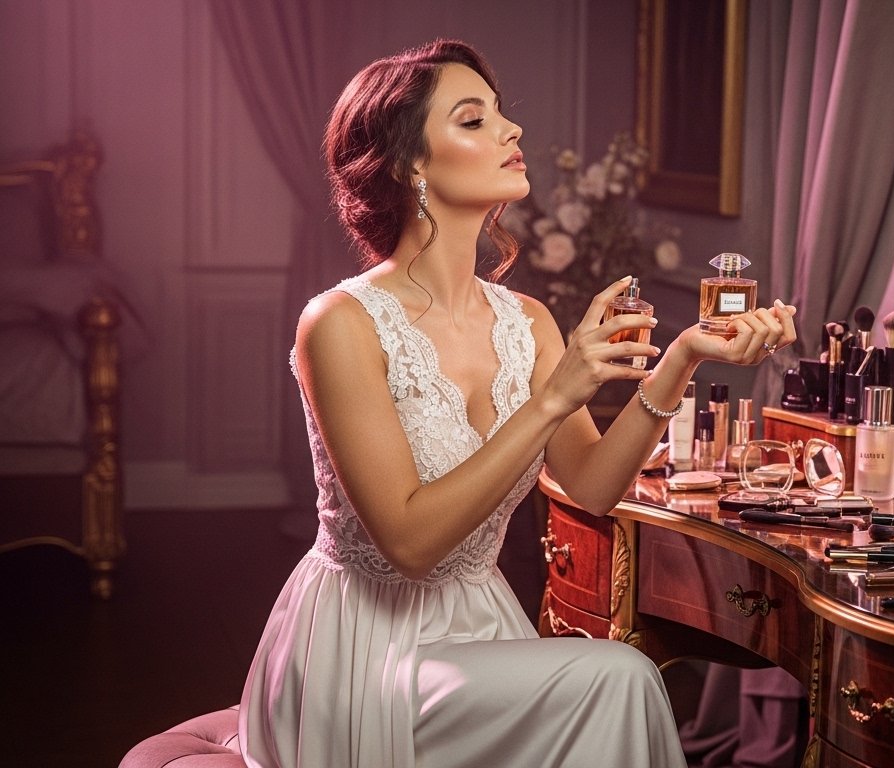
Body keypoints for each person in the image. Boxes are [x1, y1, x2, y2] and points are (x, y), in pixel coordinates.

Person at [238, 39, 797, 768]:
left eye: (501, 116)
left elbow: (592, 489)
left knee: (610, 685)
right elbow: (409, 547)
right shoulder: (340, 325)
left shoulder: (525, 319)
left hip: (479, 633)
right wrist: (554, 397)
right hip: (363, 652)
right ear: (411, 164)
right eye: (474, 121)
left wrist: (683, 356)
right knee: (620, 678)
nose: (512, 132)